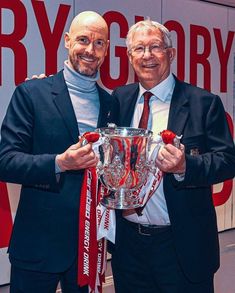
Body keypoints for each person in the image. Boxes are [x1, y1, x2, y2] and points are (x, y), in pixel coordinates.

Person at [110, 19, 235, 293]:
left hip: (182, 246)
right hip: (129, 248)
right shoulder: (119, 99)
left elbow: (227, 160)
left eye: (155, 47)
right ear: (130, 57)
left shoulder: (203, 103)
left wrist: (184, 166)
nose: (147, 56)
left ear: (171, 53)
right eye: (139, 48)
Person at [0, 11, 119, 293]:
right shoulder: (32, 93)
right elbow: (5, 161)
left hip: (89, 247)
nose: (90, 50)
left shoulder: (112, 103)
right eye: (83, 40)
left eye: (99, 43)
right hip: (38, 245)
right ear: (66, 41)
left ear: (107, 49)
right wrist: (59, 163)